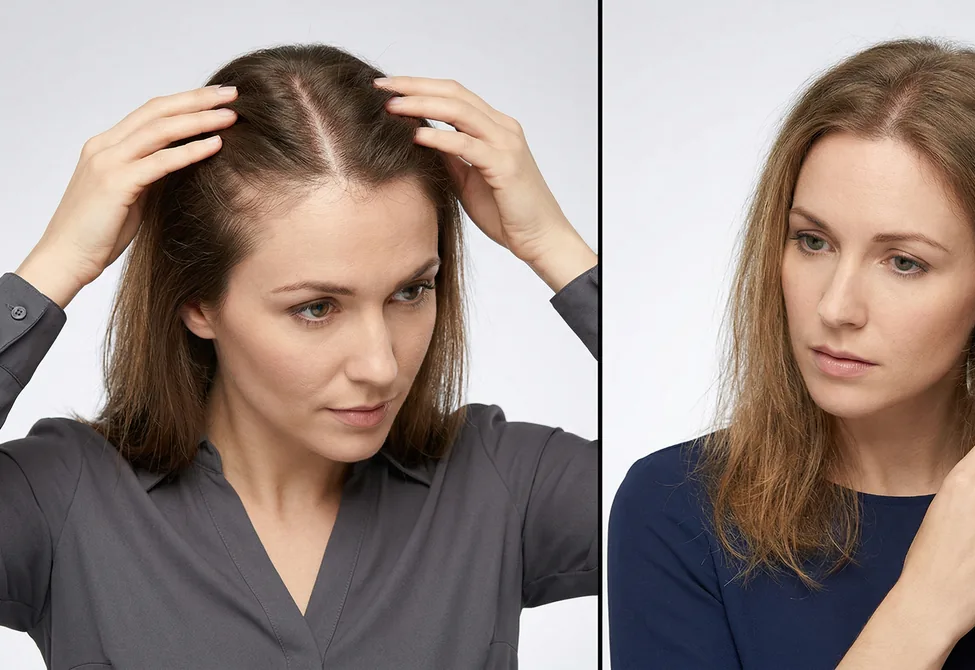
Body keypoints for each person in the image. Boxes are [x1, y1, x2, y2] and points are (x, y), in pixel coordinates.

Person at [1, 43, 597, 669]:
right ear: (198, 302)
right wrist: (53, 269)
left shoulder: (503, 485)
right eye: (316, 307)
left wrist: (552, 245)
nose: (380, 365)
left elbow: (699, 497)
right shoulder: (62, 501)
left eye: (411, 291)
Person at [608, 37, 975, 669]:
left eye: (904, 262)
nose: (835, 307)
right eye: (813, 241)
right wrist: (924, 610)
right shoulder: (676, 507)